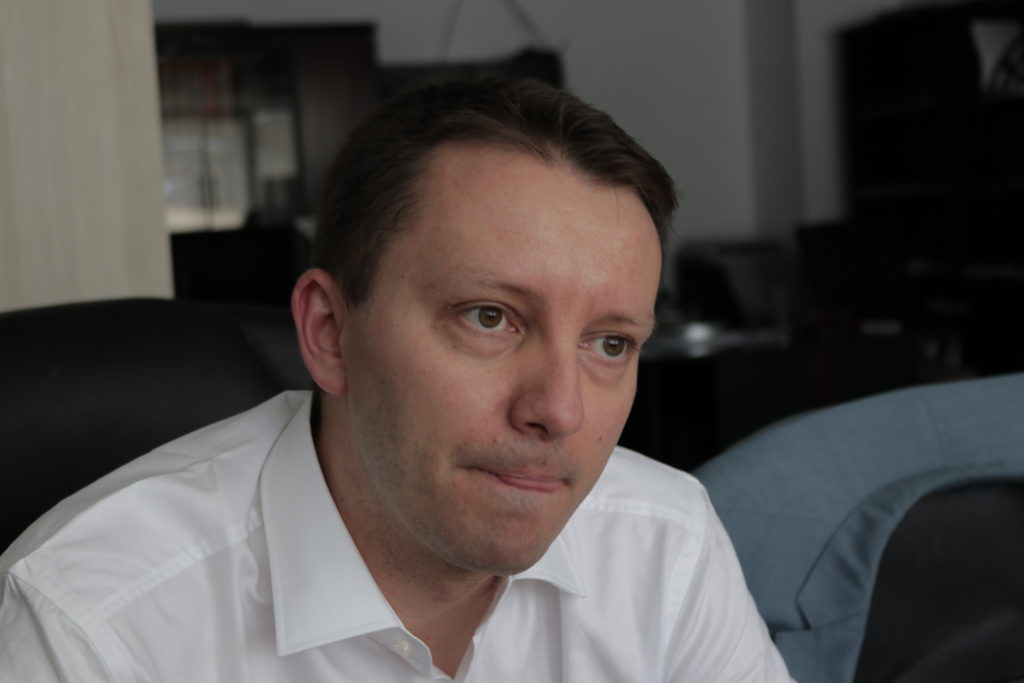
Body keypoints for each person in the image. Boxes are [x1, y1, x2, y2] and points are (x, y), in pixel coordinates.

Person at [0, 79, 792, 681]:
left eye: (610, 342)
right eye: (489, 317)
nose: (560, 409)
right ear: (329, 331)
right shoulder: (94, 621)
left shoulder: (665, 543)